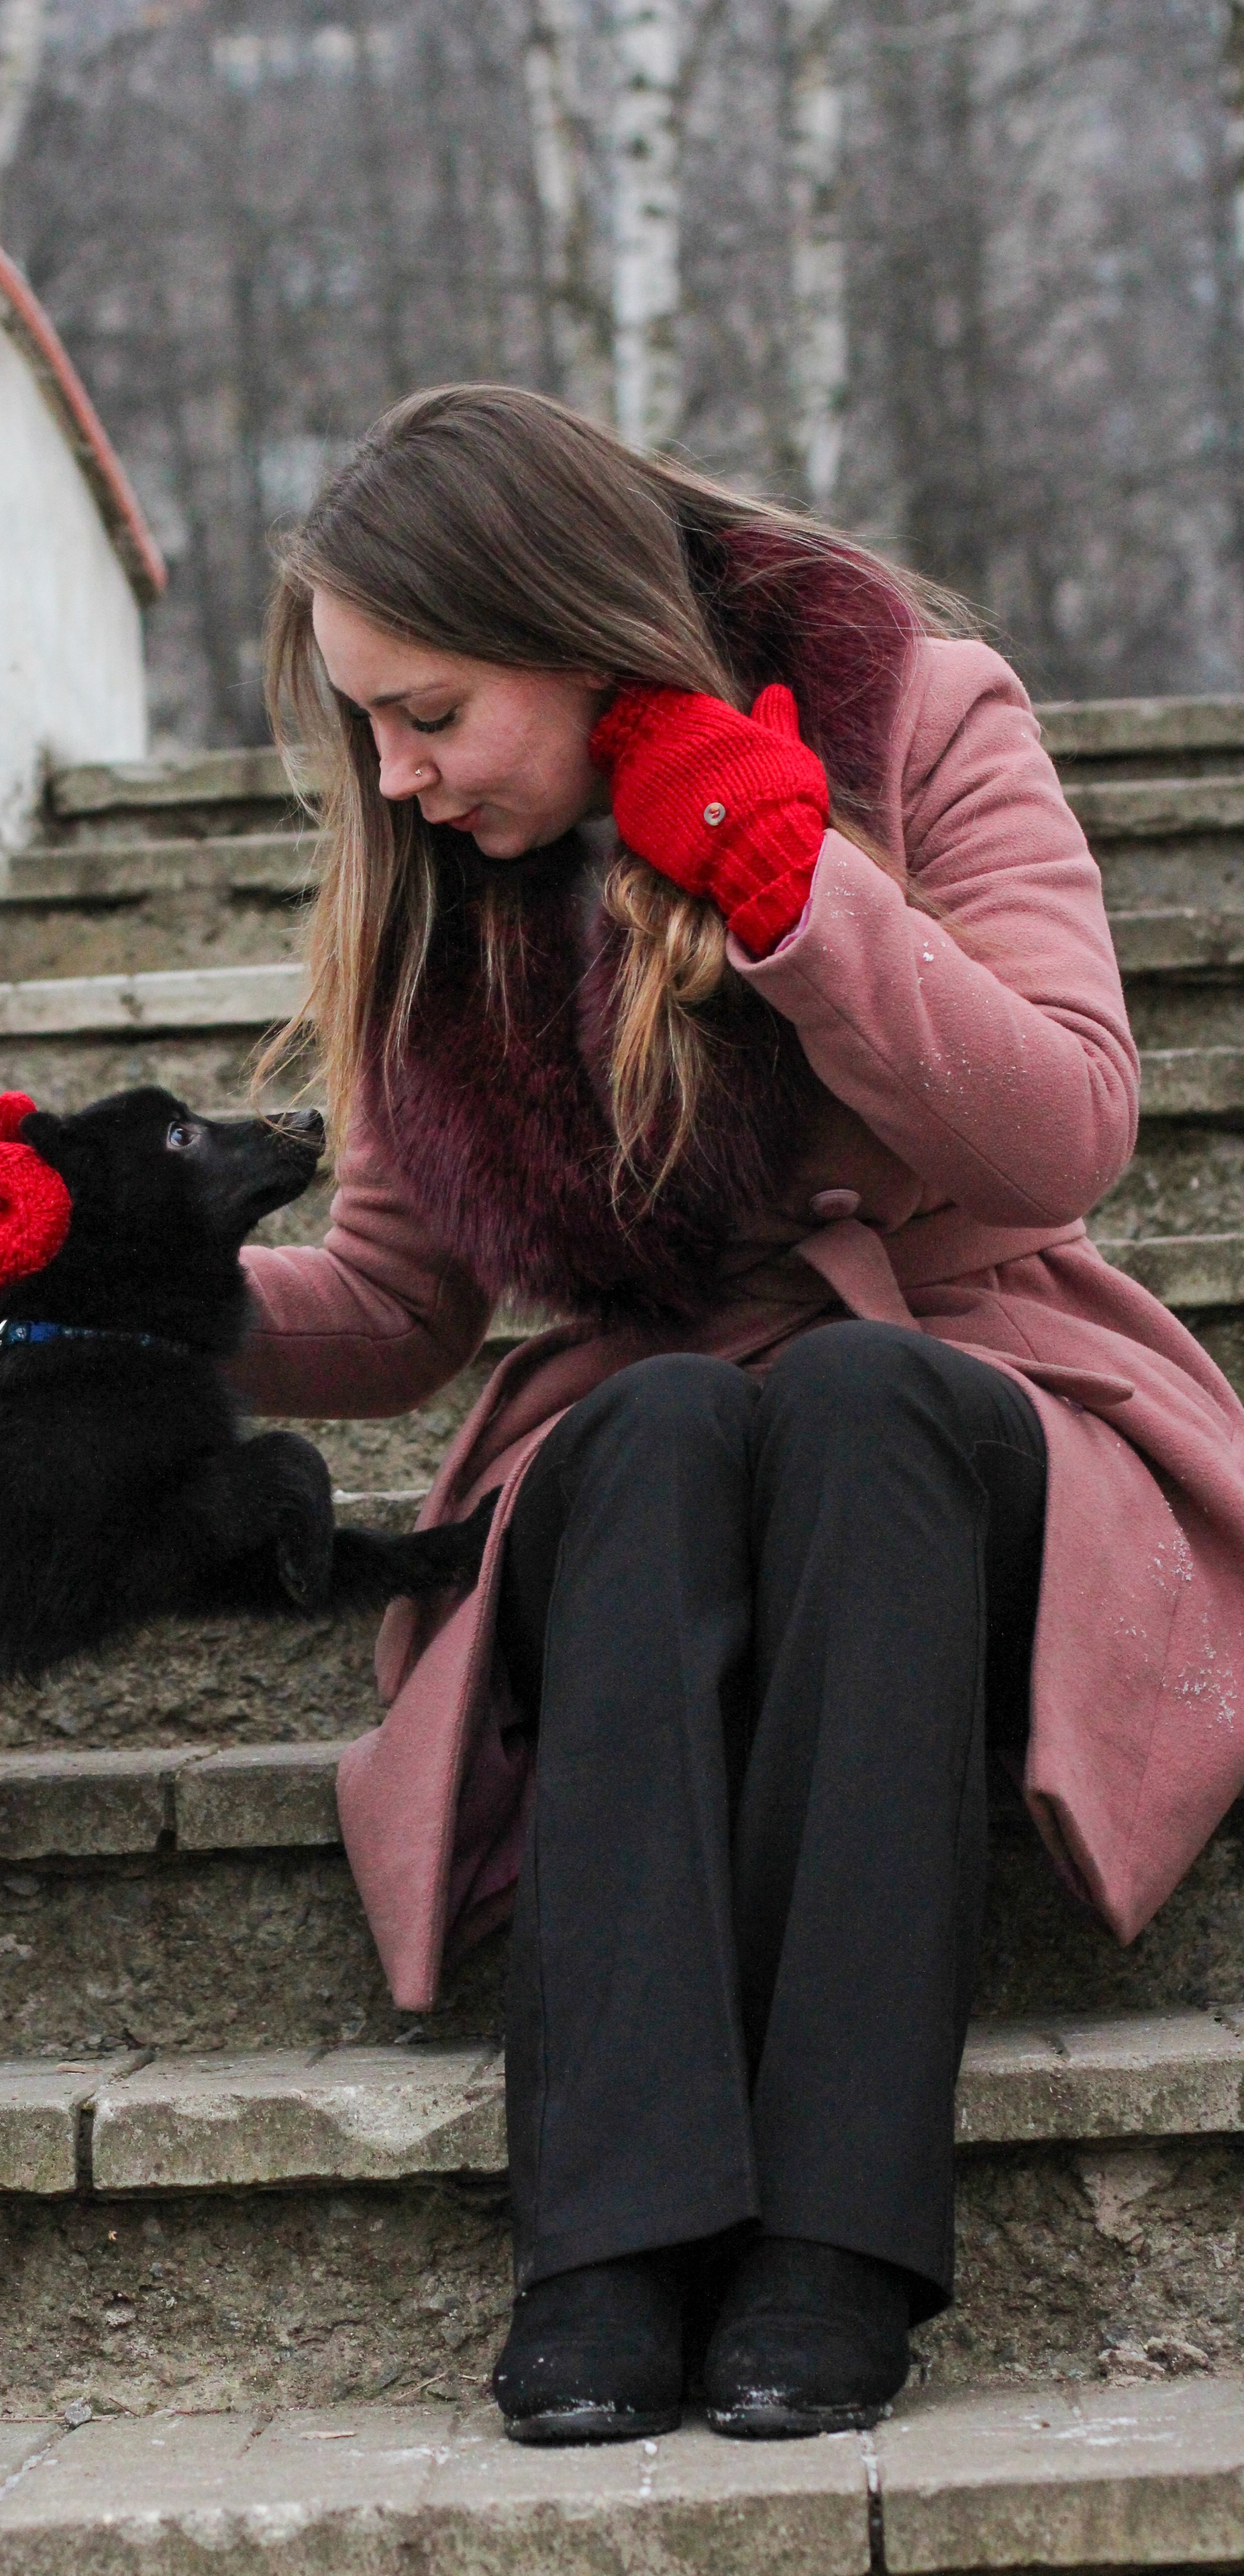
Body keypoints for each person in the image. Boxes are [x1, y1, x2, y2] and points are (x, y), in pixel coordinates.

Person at [230, 384, 1244, 2445]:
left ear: (573, 631)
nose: (396, 774)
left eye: (428, 713)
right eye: (368, 727)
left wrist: (797, 898)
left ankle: (832, 2253)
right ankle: (605, 2257)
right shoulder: (438, 883)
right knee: (657, 1429)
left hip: (974, 1394)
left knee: (866, 1398)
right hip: (653, 1449)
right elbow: (397, 1309)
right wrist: (129, 1289)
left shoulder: (916, 716)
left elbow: (1067, 1129)